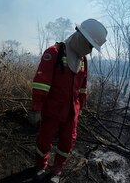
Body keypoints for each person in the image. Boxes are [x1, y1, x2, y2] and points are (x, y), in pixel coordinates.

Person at [29, 18, 108, 183]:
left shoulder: (82, 61)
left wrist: (82, 102)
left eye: (92, 47)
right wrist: (36, 109)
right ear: (80, 36)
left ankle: (57, 169)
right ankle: (40, 166)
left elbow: (83, 85)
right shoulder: (54, 53)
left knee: (68, 142)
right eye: (89, 46)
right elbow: (40, 84)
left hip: (72, 110)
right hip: (52, 109)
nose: (90, 51)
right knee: (44, 140)